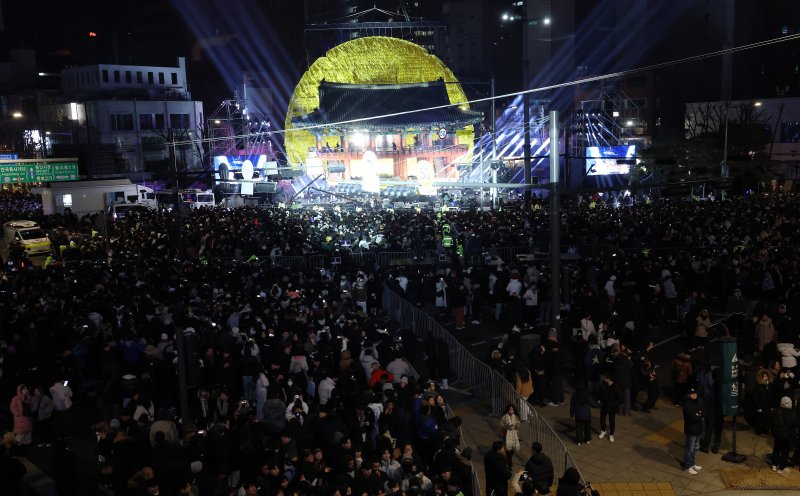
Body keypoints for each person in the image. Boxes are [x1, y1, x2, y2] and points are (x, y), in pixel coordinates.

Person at [770, 396, 799, 473]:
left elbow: (771, 423)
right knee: (785, 451)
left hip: (777, 435)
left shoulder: (775, 412)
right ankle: (781, 468)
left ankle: (774, 465)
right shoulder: (793, 415)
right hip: (787, 437)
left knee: (776, 449)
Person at [682, 388, 704, 475]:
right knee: (689, 449)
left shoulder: (698, 402)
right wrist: (699, 414)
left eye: (695, 393)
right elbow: (694, 418)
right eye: (692, 393)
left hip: (698, 429)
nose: (694, 395)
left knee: (696, 447)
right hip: (691, 430)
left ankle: (692, 463)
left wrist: (699, 414)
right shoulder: (687, 405)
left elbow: (703, 412)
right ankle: (688, 466)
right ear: (688, 395)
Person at [598, 375, 621, 443]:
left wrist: (615, 404)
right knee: (602, 418)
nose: (604, 379)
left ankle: (611, 434)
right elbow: (599, 393)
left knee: (611, 420)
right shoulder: (603, 385)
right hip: (604, 406)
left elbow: (620, 398)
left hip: (612, 408)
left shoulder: (616, 387)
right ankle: (603, 431)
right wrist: (599, 400)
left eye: (606, 378)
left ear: (610, 379)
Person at [500, 404, 521, 470]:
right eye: (510, 409)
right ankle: (509, 463)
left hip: (514, 434)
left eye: (512, 409)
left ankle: (510, 459)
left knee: (512, 448)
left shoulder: (516, 417)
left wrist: (515, 426)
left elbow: (518, 424)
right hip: (506, 434)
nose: (511, 411)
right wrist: (507, 426)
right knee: (508, 449)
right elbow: (501, 424)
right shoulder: (504, 417)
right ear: (507, 410)